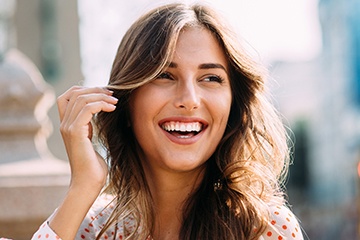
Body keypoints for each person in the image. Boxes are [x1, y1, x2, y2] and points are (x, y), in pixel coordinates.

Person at [32, 3, 304, 240]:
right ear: (126, 102)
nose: (189, 99)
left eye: (210, 78)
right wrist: (83, 186)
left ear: (234, 106)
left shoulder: (265, 229)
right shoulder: (92, 228)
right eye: (164, 75)